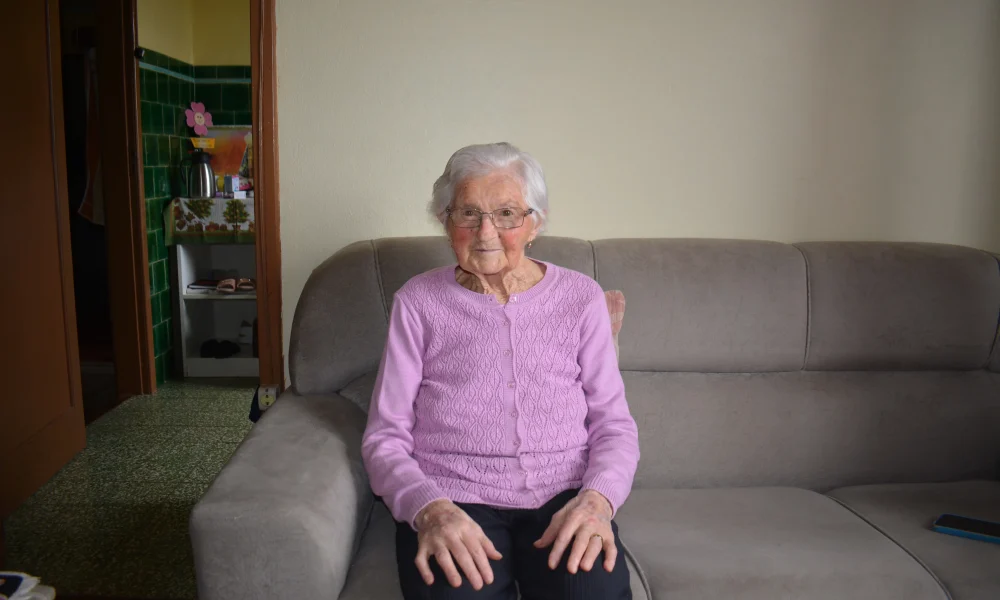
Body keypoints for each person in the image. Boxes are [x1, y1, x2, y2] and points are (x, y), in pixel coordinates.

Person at [362, 142, 640, 599]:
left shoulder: (580, 298)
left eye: (507, 213)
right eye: (468, 213)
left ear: (536, 223)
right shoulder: (417, 302)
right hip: (452, 496)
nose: (485, 232)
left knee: (591, 591)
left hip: (565, 494)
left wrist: (597, 501)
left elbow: (614, 424)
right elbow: (384, 436)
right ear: (445, 221)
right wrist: (429, 508)